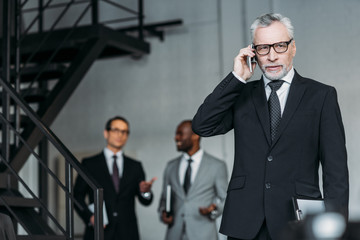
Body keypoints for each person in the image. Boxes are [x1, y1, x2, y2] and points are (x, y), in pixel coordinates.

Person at [192, 13, 349, 240]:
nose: (272, 56)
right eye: (263, 48)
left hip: (297, 220)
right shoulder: (241, 94)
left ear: (293, 47)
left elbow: (336, 172)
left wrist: (335, 227)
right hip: (244, 223)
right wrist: (237, 77)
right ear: (253, 52)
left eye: (280, 46)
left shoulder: (321, 96)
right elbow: (202, 125)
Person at [74, 116, 156, 240]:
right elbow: (77, 196)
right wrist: (89, 216)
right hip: (99, 231)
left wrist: (145, 192)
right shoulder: (89, 164)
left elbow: (145, 201)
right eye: (115, 130)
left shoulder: (135, 166)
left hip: (128, 233)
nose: (120, 135)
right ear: (106, 133)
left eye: (124, 132)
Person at [158, 120, 228, 240]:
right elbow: (164, 200)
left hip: (204, 235)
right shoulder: (171, 166)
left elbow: (224, 199)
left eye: (180, 133)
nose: (176, 138)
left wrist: (213, 209)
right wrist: (163, 214)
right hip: (174, 234)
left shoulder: (217, 166)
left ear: (195, 135)